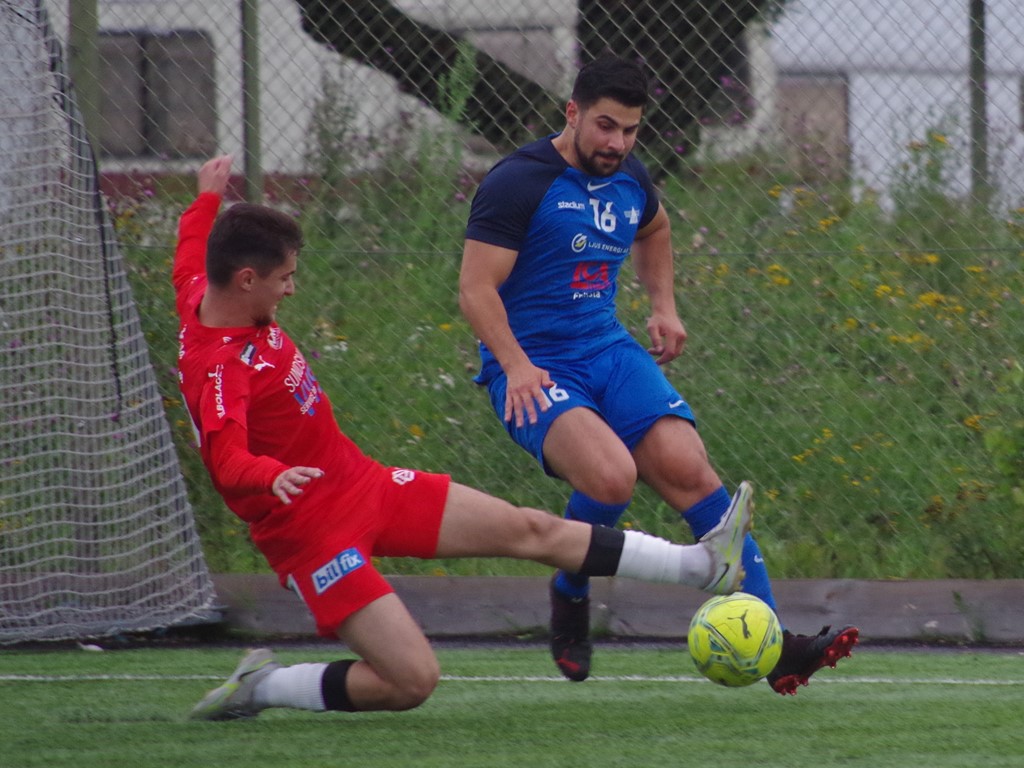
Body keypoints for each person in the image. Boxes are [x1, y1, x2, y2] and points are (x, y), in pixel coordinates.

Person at [176, 155, 753, 720]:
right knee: (411, 681)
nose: (291, 291)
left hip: (361, 481)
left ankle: (703, 568)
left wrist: (206, 197)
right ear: (247, 279)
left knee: (531, 528)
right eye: (285, 279)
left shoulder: (206, 288)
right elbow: (226, 461)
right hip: (308, 532)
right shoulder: (220, 369)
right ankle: (266, 686)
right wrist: (272, 474)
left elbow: (188, 251)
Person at [459, 54, 858, 695]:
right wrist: (516, 366)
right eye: (605, 127)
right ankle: (569, 586)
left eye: (630, 131)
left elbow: (658, 227)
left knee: (692, 472)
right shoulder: (518, 181)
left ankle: (777, 644)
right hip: (533, 363)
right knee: (611, 478)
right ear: (573, 113)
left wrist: (663, 305)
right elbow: (476, 290)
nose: (616, 143)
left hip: (608, 351)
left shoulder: (630, 177)